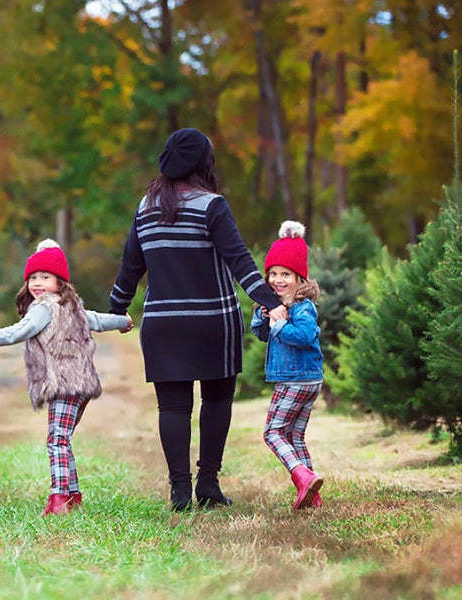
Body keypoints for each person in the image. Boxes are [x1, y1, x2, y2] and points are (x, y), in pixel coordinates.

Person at [109, 128, 287, 512]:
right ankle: (208, 483)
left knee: (172, 408)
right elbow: (240, 260)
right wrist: (271, 301)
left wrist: (117, 308)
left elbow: (130, 266)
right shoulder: (212, 205)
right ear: (203, 162)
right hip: (212, 321)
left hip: (163, 324)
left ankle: (179, 490)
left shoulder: (146, 208)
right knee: (217, 398)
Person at [0, 239, 132, 516]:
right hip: (81, 384)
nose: (37, 283)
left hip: (63, 382)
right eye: (33, 278)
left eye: (45, 277)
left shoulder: (44, 308)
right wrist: (123, 321)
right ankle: (72, 495)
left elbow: (17, 332)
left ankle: (59, 498)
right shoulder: (71, 306)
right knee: (62, 438)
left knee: (56, 440)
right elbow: (98, 319)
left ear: (60, 282)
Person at [250, 220, 324, 511]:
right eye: (273, 274)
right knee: (294, 435)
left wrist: (280, 325)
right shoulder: (279, 303)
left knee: (272, 433)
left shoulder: (303, 305)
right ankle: (312, 497)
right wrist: (264, 316)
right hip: (307, 379)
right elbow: (262, 334)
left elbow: (306, 336)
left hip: (297, 378)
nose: (278, 280)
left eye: (286, 274)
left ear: (300, 278)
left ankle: (302, 476)